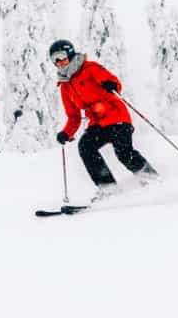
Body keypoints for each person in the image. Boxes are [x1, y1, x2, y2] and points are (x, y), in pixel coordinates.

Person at [50, 39, 158, 202]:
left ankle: (152, 179)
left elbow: (113, 81)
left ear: (70, 54)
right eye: (54, 60)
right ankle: (108, 188)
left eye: (61, 56)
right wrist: (66, 133)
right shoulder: (65, 86)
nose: (59, 62)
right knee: (85, 146)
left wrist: (111, 84)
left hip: (116, 117)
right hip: (97, 124)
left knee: (123, 152)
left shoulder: (90, 68)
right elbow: (74, 116)